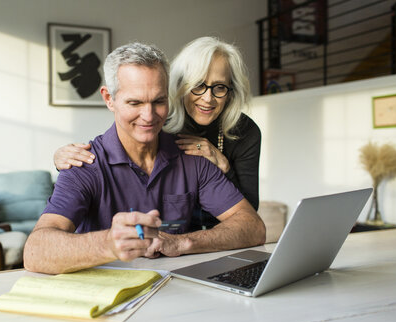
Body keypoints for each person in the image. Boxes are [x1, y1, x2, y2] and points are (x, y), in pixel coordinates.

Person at [24, 42, 265, 274]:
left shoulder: (193, 155)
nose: (148, 116)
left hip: (175, 291)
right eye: (135, 102)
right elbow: (35, 251)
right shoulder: (84, 164)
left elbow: (253, 227)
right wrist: (110, 243)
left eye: (159, 101)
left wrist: (180, 243)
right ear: (109, 98)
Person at [53, 37, 261, 230]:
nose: (208, 98)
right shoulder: (160, 120)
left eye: (219, 87)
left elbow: (248, 216)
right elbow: (119, 142)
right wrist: (63, 159)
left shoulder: (243, 133)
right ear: (180, 86)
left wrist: (223, 166)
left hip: (211, 237)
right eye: (198, 85)